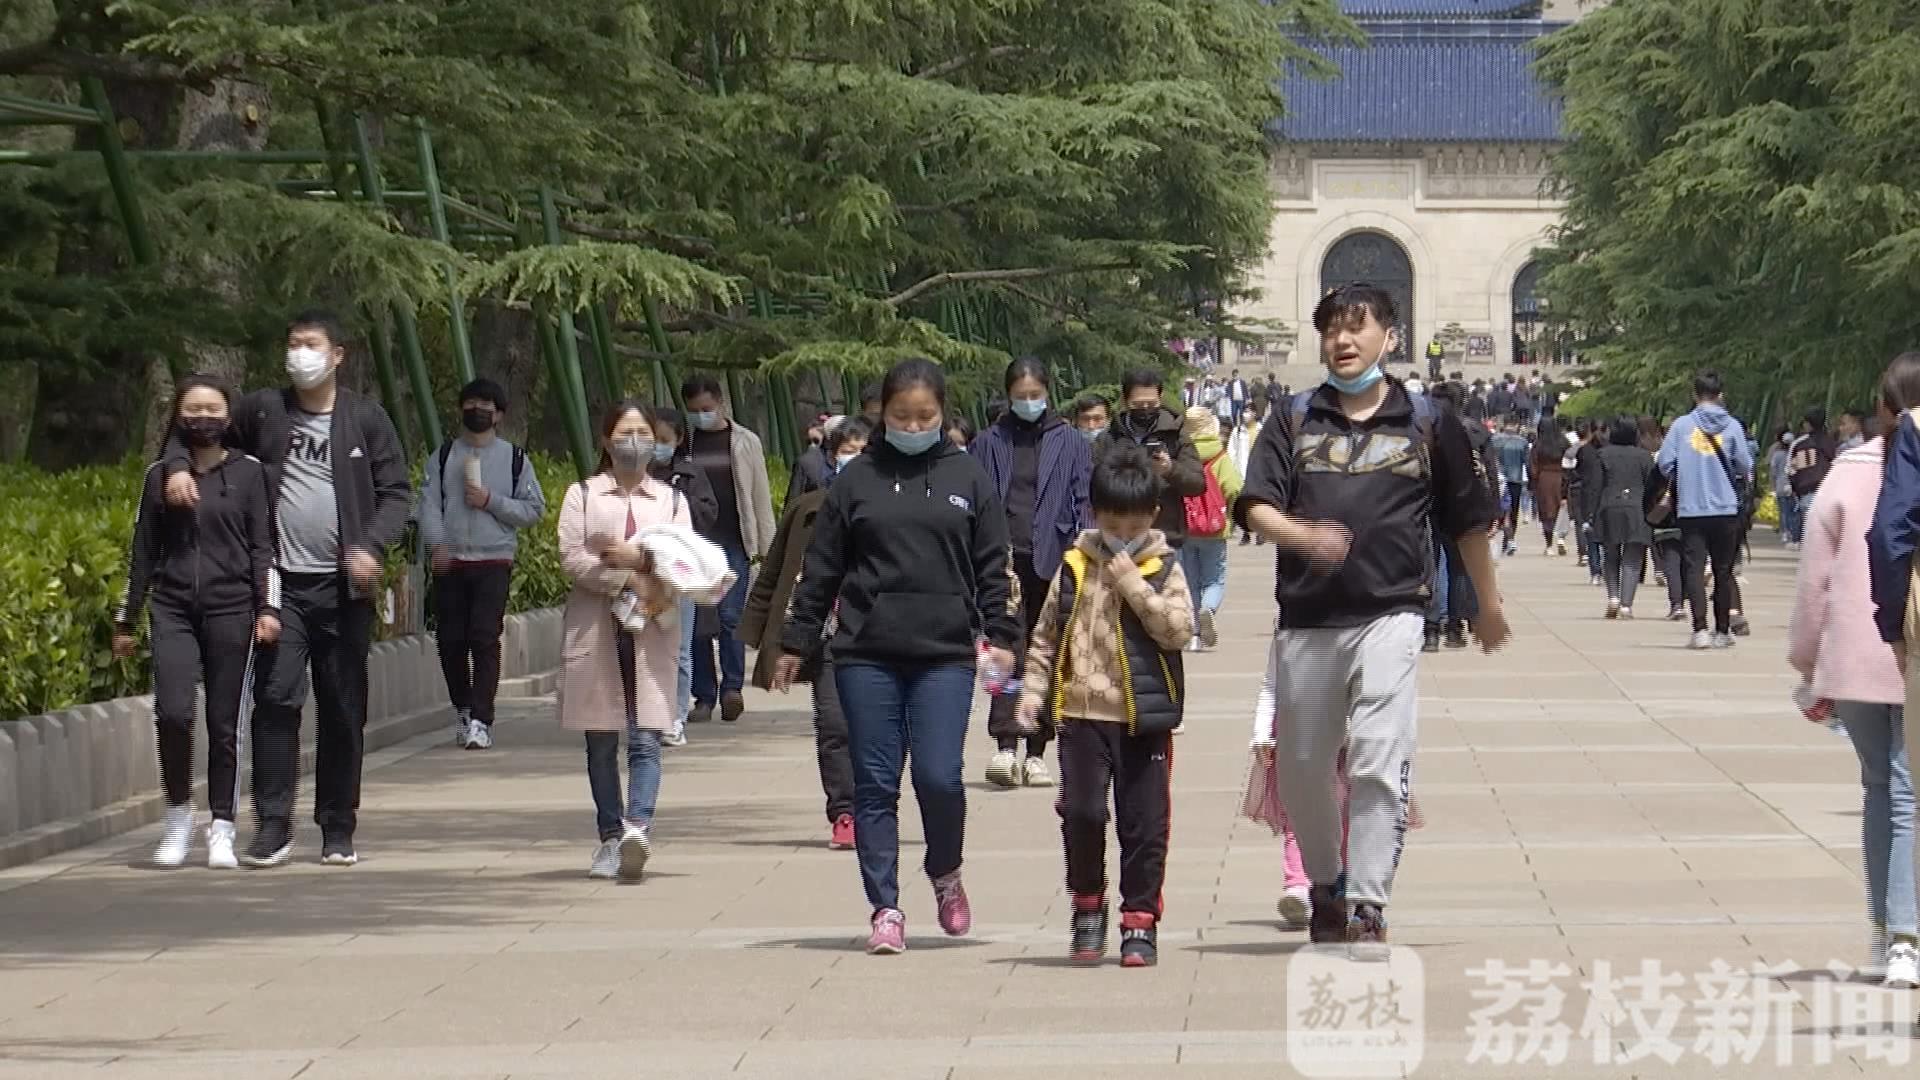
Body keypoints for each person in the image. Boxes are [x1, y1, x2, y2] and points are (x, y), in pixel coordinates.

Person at [1236, 281, 1507, 957]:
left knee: (1380, 755)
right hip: (1307, 616)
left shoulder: (1426, 421)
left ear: (1390, 337)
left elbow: (1469, 519)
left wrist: (1487, 603)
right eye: (1331, 328)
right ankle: (1326, 882)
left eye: (1358, 328)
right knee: (1302, 767)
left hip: (1393, 612)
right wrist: (1304, 538)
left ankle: (1367, 904)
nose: (1343, 340)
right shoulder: (1293, 418)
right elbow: (1256, 504)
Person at [775, 357, 1020, 955]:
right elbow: (823, 567)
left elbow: (993, 565)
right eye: (901, 415)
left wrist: (1004, 637)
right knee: (875, 785)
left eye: (925, 415)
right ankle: (885, 906)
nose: (913, 425)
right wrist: (796, 641)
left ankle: (945, 872)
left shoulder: (968, 477)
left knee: (939, 777)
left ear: (942, 413)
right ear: (880, 414)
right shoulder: (854, 481)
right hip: (865, 653)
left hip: (944, 654)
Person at [159, 309, 409, 868]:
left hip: (344, 591)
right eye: (293, 344)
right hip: (279, 588)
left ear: (337, 354)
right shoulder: (263, 411)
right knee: (275, 701)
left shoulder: (366, 420)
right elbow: (193, 431)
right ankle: (272, 825)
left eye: (311, 344)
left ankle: (338, 826)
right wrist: (176, 466)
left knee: (344, 707)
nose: (300, 354)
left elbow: (396, 494)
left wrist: (370, 546)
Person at [1015, 444, 1194, 967]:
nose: (1121, 534)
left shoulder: (1163, 567)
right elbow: (1046, 636)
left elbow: (1177, 631)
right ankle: (1088, 907)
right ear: (1095, 513)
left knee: (1144, 823)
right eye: (1111, 522)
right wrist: (1032, 695)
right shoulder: (1074, 565)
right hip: (1080, 715)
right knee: (1084, 813)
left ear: (1152, 516)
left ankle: (1140, 920)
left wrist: (1134, 583)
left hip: (1143, 721)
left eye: (1132, 524)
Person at [116, 375, 279, 869]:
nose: (203, 417)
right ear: (178, 415)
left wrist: (268, 608)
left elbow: (263, 548)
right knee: (173, 711)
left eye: (213, 408)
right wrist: (127, 619)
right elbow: (142, 551)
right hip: (171, 607)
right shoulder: (160, 477)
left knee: (224, 723)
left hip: (233, 609)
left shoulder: (250, 475)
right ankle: (176, 820)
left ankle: (223, 827)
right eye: (193, 408)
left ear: (229, 416)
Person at [1795, 373, 1918, 989]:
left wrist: (1806, 658)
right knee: (1905, 792)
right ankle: (1903, 934)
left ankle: (1889, 929)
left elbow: (1815, 578)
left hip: (1861, 654)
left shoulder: (1849, 470)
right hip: (1904, 644)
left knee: (1884, 788)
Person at [557, 401, 688, 881]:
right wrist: (624, 580)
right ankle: (609, 836)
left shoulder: (671, 500)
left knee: (647, 733)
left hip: (651, 626)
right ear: (606, 440)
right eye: (624, 431)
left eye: (642, 431)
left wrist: (642, 562)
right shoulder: (583, 495)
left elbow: (686, 560)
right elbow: (572, 556)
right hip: (598, 625)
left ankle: (638, 827)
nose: (634, 439)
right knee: (600, 738)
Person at [742, 419, 872, 851]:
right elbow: (776, 574)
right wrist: (765, 637)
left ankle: (875, 806)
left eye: (865, 451)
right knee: (834, 725)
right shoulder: (807, 510)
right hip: (828, 636)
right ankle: (845, 812)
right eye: (848, 451)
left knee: (876, 730)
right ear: (832, 458)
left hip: (880, 636)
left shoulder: (896, 509)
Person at [970, 358, 1093, 789]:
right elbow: (975, 499)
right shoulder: (988, 441)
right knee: (1003, 650)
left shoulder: (1072, 441)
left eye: (1034, 395)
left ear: (1047, 393)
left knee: (1046, 653)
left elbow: (1083, 500)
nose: (1027, 402)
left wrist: (1080, 550)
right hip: (1003, 561)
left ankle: (1038, 745)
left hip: (1053, 559)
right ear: (1008, 396)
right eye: (1019, 396)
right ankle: (1005, 743)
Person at [419, 378, 547, 751]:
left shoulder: (514, 459)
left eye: (486, 405)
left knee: (484, 636)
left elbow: (533, 509)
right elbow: (428, 504)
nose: (477, 410)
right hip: (452, 560)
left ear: (499, 415)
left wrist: (492, 500)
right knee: (451, 639)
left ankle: (481, 718)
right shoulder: (443, 456)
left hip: (494, 558)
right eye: (471, 403)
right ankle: (462, 707)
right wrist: (437, 544)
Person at [681, 375, 777, 725]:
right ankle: (703, 695)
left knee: (730, 617)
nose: (700, 416)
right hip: (691, 546)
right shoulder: (684, 443)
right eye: (693, 411)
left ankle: (732, 689)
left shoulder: (744, 441)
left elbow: (759, 496)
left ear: (720, 402)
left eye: (706, 409)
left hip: (733, 542)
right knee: (695, 624)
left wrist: (768, 546)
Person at [1657, 371, 1754, 650]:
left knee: (1694, 568)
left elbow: (1664, 463)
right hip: (1725, 509)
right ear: (1720, 394)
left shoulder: (1681, 426)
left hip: (1691, 509)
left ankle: (1699, 629)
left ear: (1694, 394)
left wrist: (1686, 473)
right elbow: (1745, 466)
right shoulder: (1733, 426)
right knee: (1723, 571)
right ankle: (1722, 630)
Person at [647, 407, 719, 749]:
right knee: (644, 646)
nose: (657, 446)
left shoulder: (689, 476)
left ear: (677, 441)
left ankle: (675, 715)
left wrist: (678, 506)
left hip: (680, 570)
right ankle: (647, 712)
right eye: (652, 438)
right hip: (643, 572)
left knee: (680, 646)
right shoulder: (634, 475)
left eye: (665, 440)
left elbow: (708, 513)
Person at [1093, 370, 1207, 551]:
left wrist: (1170, 470)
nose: (1145, 409)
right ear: (1124, 400)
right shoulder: (1108, 438)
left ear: (1160, 397)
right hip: (1117, 540)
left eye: (1151, 403)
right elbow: (1093, 486)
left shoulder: (1176, 435)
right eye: (1138, 404)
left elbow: (1198, 485)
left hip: (1166, 539)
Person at [1180, 407, 1241, 650]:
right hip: (1214, 529)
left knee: (1191, 580)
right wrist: (1230, 513)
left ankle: (1194, 634)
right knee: (1214, 578)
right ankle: (1209, 609)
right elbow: (1234, 487)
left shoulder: (1182, 453)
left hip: (1186, 525)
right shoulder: (1219, 454)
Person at [1588, 416, 1661, 619]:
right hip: (1637, 508)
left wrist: (1590, 514)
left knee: (1610, 556)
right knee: (1633, 558)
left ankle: (1612, 596)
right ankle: (1626, 604)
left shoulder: (1602, 455)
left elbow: (1595, 486)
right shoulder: (1645, 457)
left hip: (1609, 506)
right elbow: (1653, 486)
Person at [1788, 407, 1837, 547]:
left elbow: (1793, 470)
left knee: (1811, 533)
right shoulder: (1831, 443)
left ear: (1807, 424)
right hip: (1829, 491)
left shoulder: (1801, 444)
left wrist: (1795, 489)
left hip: (1808, 491)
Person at [1489, 416, 1529, 557]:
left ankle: (1497, 536)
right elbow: (1527, 463)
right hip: (1515, 479)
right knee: (1513, 512)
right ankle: (1508, 540)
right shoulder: (1522, 442)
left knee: (1497, 509)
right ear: (1516, 425)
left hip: (1497, 479)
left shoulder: (1494, 440)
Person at [1529, 416, 1567, 557]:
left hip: (1544, 479)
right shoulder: (1563, 442)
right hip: (1561, 476)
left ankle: (1549, 544)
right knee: (1562, 511)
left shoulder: (1538, 444)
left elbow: (1532, 465)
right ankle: (1561, 538)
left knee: (1547, 513)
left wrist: (1534, 481)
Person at [1229, 404, 1263, 545]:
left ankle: (1261, 533)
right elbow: (1231, 451)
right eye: (1244, 411)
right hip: (1241, 472)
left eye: (1248, 411)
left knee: (1258, 503)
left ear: (1255, 413)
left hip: (1258, 471)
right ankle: (1246, 534)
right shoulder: (1237, 431)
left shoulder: (1262, 430)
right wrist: (1231, 470)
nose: (1245, 414)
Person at [1770, 430, 1799, 551]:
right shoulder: (1795, 455)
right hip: (1793, 485)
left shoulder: (1777, 455)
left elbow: (1773, 472)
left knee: (1783, 511)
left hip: (1780, 485)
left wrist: (1772, 485)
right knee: (1793, 512)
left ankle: (1785, 533)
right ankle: (1793, 533)